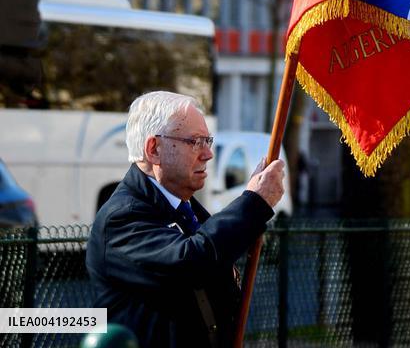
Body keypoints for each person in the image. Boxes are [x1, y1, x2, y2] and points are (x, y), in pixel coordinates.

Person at [86, 91, 285, 348]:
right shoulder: (121, 217)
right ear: (154, 149)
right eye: (195, 142)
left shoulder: (184, 206)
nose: (208, 154)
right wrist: (254, 203)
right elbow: (191, 262)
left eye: (208, 141)